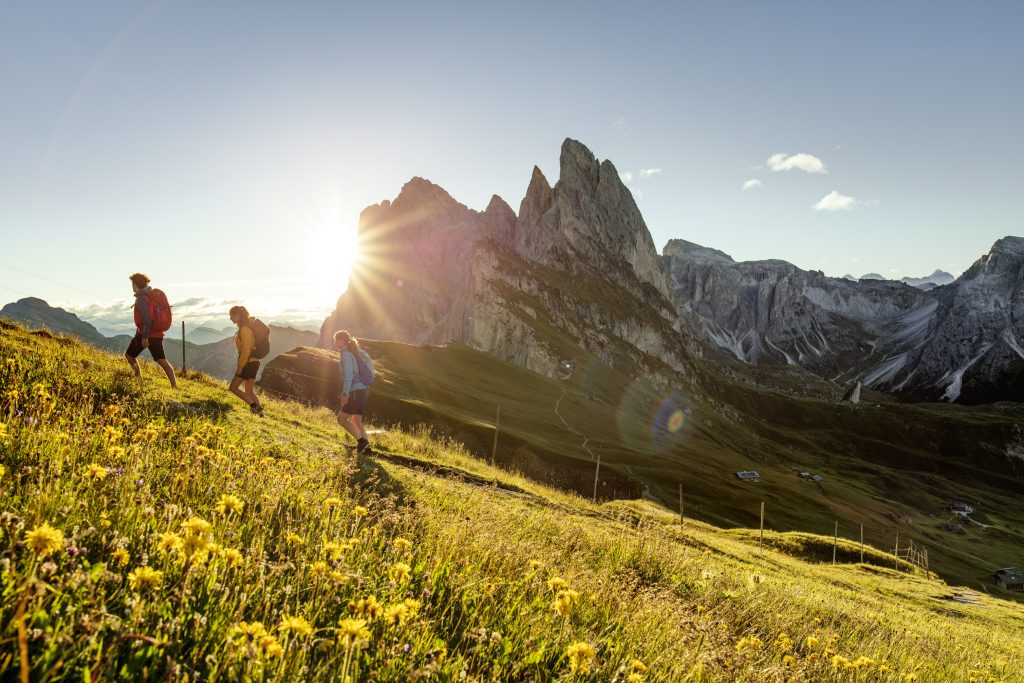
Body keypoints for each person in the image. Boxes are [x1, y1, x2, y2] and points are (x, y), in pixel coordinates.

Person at [125, 273, 177, 388]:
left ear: (135, 284)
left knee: (129, 355)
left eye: (132, 284)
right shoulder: (149, 296)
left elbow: (148, 319)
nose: (132, 286)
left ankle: (138, 379)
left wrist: (144, 337)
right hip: (157, 334)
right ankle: (174, 385)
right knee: (162, 360)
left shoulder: (141, 299)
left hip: (146, 334)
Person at [334, 330, 373, 453]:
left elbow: (348, 376)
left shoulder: (346, 354)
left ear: (343, 340)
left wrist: (345, 394)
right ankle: (366, 449)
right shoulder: (353, 352)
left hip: (356, 391)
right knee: (356, 421)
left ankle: (362, 442)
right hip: (364, 390)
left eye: (337, 340)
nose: (335, 342)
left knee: (341, 419)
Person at [228, 305, 264, 416]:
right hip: (253, 362)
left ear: (238, 315)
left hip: (248, 363)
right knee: (249, 391)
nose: (230, 318)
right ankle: (260, 414)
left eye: (231, 315)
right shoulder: (246, 327)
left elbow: (246, 350)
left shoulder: (245, 329)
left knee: (233, 388)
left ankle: (254, 407)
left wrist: (240, 367)